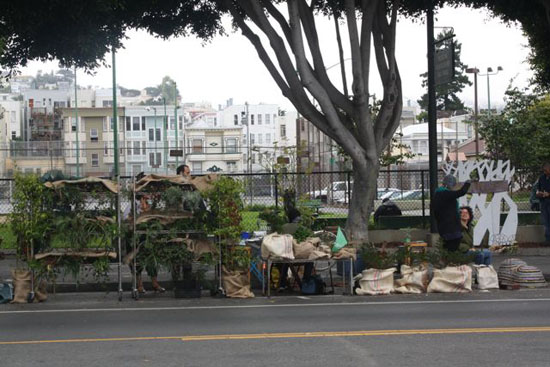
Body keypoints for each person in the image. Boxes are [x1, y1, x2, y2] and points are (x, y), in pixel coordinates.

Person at [432, 174, 471, 251]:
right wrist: (468, 183)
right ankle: (450, 261)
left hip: (443, 226)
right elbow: (461, 192)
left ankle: (447, 260)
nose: (453, 188)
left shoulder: (438, 194)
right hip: (450, 228)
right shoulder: (444, 193)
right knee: (452, 246)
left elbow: (443, 208)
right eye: (453, 185)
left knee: (447, 247)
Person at [536, 163, 550, 244]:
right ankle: (548, 239)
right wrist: (538, 193)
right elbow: (538, 188)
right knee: (546, 221)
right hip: (543, 201)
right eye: (544, 170)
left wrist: (548, 194)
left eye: (546, 170)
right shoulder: (542, 177)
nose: (545, 172)